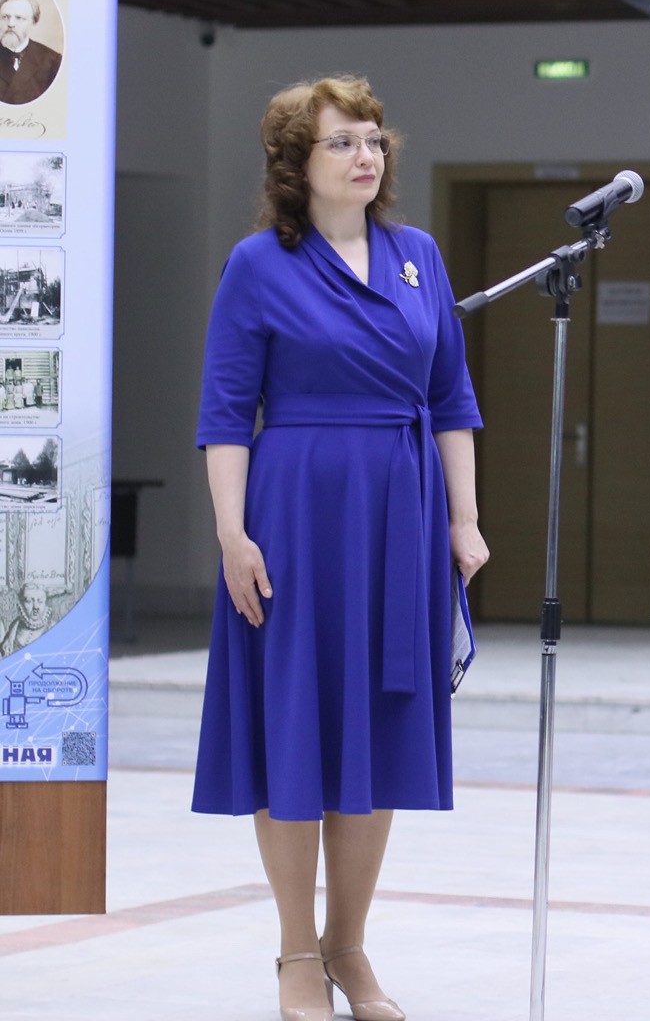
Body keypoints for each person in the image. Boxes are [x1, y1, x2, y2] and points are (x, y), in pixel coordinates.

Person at [193, 76, 486, 1021]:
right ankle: (294, 955)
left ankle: (348, 948)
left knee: (377, 728)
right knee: (295, 728)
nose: (366, 156)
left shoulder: (418, 256)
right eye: (342, 142)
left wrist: (463, 519)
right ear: (296, 162)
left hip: (401, 512)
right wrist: (233, 534)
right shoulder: (257, 264)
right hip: (295, 512)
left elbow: (451, 399)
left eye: (373, 139)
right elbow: (227, 412)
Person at [0, 0, 63, 105]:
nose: (10, 24)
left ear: (33, 23)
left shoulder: (53, 61)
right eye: (5, 17)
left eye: (19, 18)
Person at [0, 584, 52, 655]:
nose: (35, 607)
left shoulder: (52, 627)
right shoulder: (15, 625)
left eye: (40, 601)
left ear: (45, 603)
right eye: (29, 601)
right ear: (21, 603)